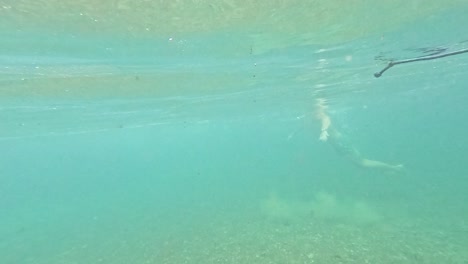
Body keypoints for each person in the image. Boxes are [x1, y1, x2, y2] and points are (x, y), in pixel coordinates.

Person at [316, 98, 403, 173]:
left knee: (362, 163)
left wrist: (324, 131)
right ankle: (388, 169)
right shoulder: (316, 114)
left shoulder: (322, 115)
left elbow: (326, 121)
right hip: (338, 144)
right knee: (359, 165)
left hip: (340, 142)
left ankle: (394, 168)